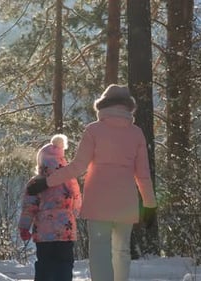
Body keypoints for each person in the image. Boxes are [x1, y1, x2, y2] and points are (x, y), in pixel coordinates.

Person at [27, 84, 158, 281]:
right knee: (122, 250)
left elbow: (78, 167)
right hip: (126, 201)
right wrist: (149, 205)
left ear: (102, 105)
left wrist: (47, 182)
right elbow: (143, 175)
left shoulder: (94, 130)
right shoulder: (136, 133)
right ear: (128, 107)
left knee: (99, 251)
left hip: (98, 200)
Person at [18, 134, 81, 281]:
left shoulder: (36, 182)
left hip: (44, 234)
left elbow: (29, 206)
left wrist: (24, 227)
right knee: (64, 264)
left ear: (40, 162)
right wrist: (73, 214)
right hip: (66, 230)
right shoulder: (69, 179)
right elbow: (77, 201)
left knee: (44, 265)